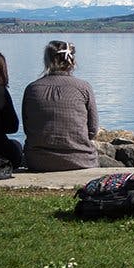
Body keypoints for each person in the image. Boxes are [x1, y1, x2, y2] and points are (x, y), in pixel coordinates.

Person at [21, 40, 100, 172]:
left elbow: (28, 127)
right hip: (80, 159)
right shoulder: (83, 87)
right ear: (72, 61)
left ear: (47, 60)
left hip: (38, 161)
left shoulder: (32, 88)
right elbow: (92, 129)